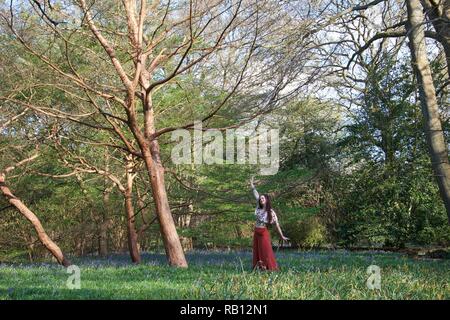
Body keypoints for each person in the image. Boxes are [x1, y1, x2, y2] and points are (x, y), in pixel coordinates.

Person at [250, 176, 289, 271]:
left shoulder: (270, 212)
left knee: (266, 251)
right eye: (261, 198)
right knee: (257, 251)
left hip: (263, 232)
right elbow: (256, 194)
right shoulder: (258, 208)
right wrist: (252, 185)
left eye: (263, 198)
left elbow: (277, 225)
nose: (261, 199)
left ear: (266, 200)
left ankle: (270, 268)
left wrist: (282, 236)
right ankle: (259, 268)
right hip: (256, 231)